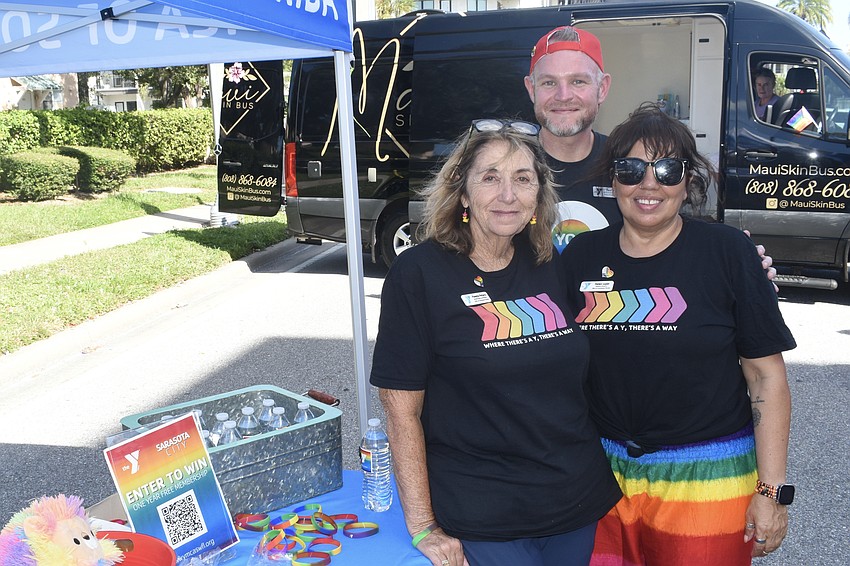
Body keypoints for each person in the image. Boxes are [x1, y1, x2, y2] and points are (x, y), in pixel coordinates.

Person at [370, 120, 622, 566]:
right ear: (463, 193)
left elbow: (641, 269)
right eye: (490, 177)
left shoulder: (549, 262)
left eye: (523, 179)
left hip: (573, 502)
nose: (508, 195)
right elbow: (399, 408)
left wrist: (737, 259)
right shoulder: (419, 274)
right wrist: (423, 525)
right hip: (482, 514)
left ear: (539, 196)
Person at [559, 103, 796, 566]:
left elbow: (767, 379)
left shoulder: (728, 253)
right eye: (631, 168)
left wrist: (771, 493)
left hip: (708, 480)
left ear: (688, 181)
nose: (649, 183)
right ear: (613, 179)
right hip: (601, 480)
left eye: (668, 169)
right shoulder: (581, 256)